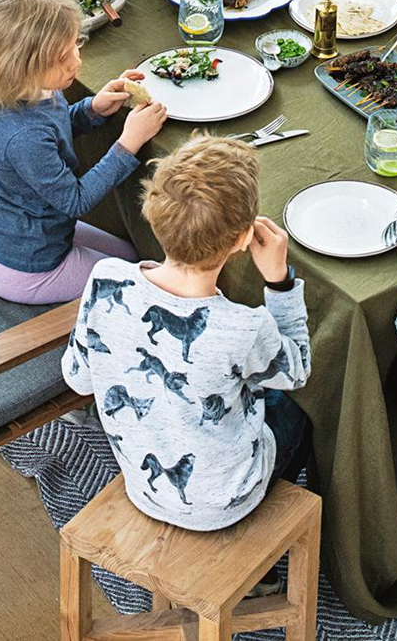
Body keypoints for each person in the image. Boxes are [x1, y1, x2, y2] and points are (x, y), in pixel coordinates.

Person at [62, 134, 311, 535]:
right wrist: (279, 282)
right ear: (244, 239)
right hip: (226, 502)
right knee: (300, 409)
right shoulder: (246, 326)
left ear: (152, 212)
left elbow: (78, 378)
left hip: (141, 486)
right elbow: (298, 371)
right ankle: (270, 550)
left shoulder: (105, 277)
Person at [0, 0, 167, 304]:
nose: (76, 62)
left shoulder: (25, 89)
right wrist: (129, 143)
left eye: (75, 46)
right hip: (28, 267)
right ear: (18, 66)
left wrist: (92, 108)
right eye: (61, 56)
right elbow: (76, 201)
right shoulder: (21, 136)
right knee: (143, 281)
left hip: (27, 234)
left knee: (131, 252)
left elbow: (53, 130)